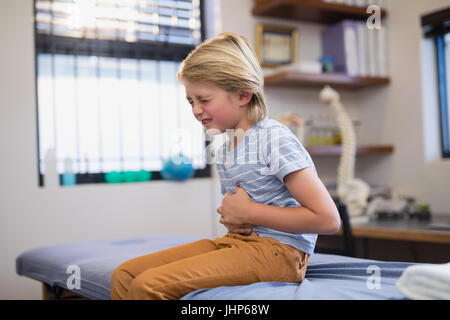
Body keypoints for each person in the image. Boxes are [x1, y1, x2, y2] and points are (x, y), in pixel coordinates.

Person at [110, 32, 340, 300]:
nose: (196, 110)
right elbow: (241, 221)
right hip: (238, 244)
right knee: (125, 276)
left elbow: (327, 219)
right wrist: (237, 218)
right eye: (190, 101)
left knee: (148, 286)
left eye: (204, 100)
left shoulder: (273, 138)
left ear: (243, 94)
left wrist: (249, 211)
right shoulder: (226, 149)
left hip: (280, 252)